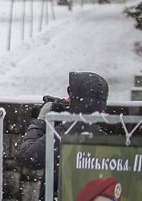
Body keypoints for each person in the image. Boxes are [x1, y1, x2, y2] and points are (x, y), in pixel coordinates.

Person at [16, 71, 110, 200]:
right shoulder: (102, 136)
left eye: (70, 95)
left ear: (79, 101)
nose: (66, 100)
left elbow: (28, 157)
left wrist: (41, 121)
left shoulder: (64, 134)